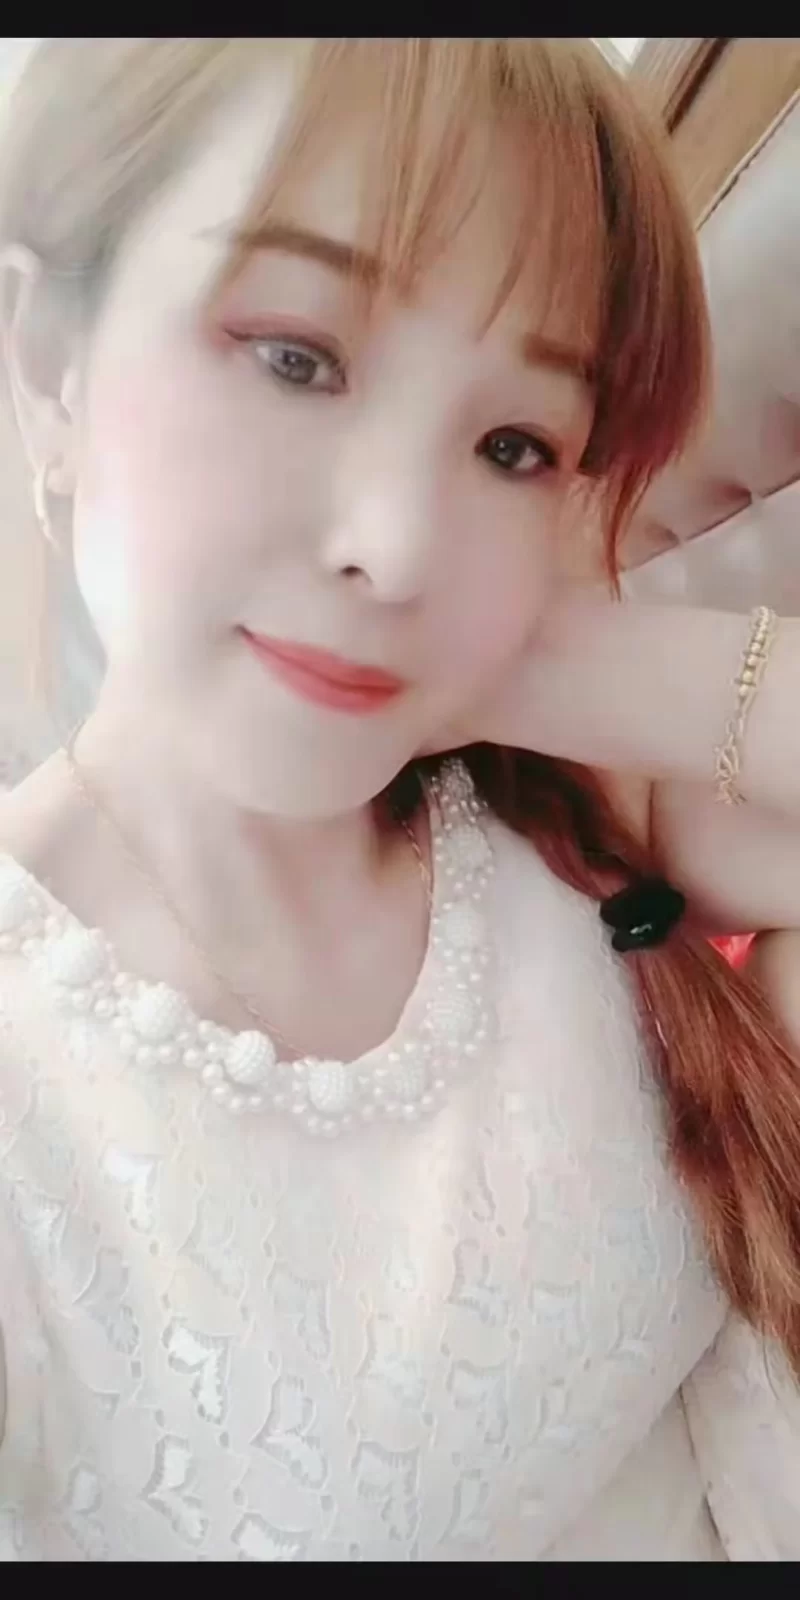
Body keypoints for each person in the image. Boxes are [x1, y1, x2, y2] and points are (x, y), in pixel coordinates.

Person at [0, 37, 798, 1564]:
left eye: (513, 445)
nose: (400, 542)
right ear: (50, 364)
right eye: (297, 357)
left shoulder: (556, 822)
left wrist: (573, 670)